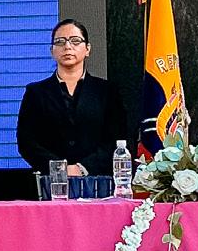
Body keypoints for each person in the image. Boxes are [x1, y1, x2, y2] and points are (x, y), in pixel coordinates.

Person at [15, 19, 125, 176]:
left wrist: (82, 168)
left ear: (87, 49)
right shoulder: (36, 92)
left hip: (97, 181)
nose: (67, 46)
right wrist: (60, 169)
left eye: (75, 41)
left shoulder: (107, 91)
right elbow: (27, 142)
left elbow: (117, 139)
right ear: (52, 51)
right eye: (60, 42)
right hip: (51, 181)